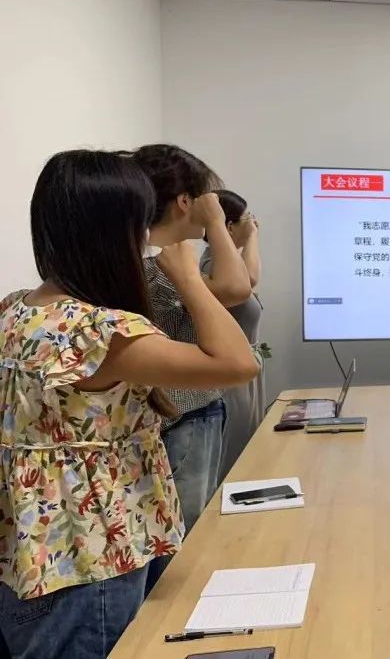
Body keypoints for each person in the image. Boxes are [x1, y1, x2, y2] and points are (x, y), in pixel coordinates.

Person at [0, 151, 259, 659]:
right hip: (92, 551)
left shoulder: (16, 308)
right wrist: (188, 277)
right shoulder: (101, 331)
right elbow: (238, 362)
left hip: (33, 551)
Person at [131, 144, 253, 538]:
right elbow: (237, 287)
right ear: (186, 201)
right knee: (186, 528)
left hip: (184, 412)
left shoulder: (155, 262)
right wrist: (216, 222)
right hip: (184, 414)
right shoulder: (159, 268)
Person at [199, 190, 264, 482]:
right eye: (247, 219)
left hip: (245, 369)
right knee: (237, 452)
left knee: (249, 445)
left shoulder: (225, 263)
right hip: (231, 376)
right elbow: (249, 281)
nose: (253, 224)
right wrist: (253, 238)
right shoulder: (213, 265)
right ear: (229, 226)